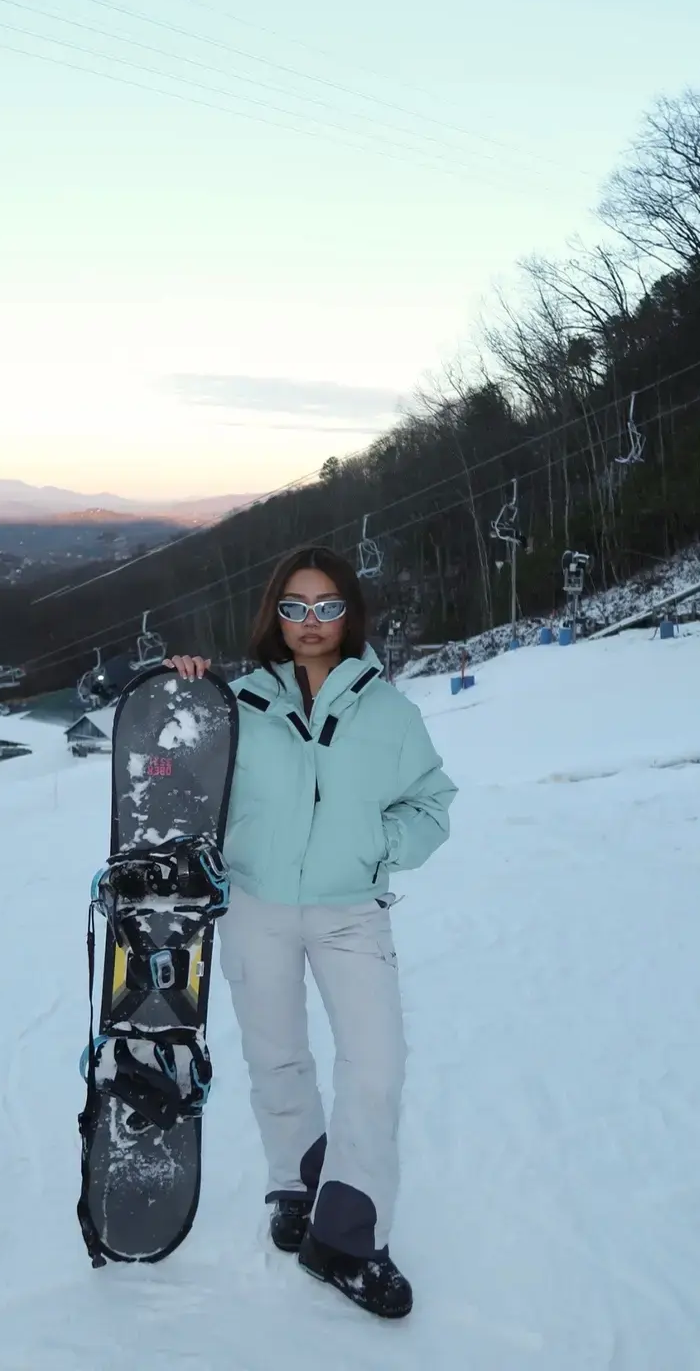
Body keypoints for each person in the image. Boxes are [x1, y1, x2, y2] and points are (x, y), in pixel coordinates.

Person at [166, 545, 457, 1319]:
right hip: (256, 905)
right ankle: (296, 1184)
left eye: (327, 606)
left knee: (375, 1069)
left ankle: (349, 1240)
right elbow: (182, 781)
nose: (311, 622)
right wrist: (184, 691)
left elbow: (432, 804)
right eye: (294, 607)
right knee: (277, 1056)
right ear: (275, 616)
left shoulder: (390, 713)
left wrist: (373, 851)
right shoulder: (237, 703)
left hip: (350, 912)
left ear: (350, 614)